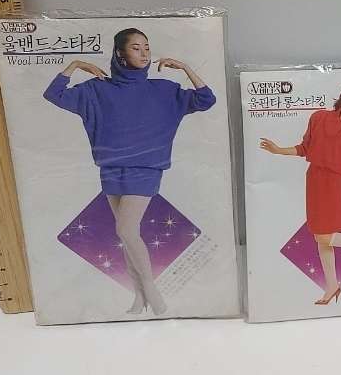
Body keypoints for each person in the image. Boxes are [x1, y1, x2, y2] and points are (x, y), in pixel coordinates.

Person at [44, 28, 216, 315]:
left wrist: (186, 68)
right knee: (127, 234)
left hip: (146, 168)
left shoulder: (164, 90)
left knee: (125, 229)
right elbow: (54, 94)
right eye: (136, 48)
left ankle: (150, 289)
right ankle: (139, 297)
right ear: (120, 53)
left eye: (147, 47)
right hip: (111, 168)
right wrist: (74, 65)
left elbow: (206, 99)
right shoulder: (97, 89)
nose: (145, 53)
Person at [259, 82, 341, 305]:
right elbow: (305, 148)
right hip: (314, 179)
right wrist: (278, 150)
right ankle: (332, 286)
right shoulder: (318, 118)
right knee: (321, 237)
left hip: (334, 184)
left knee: (324, 236)